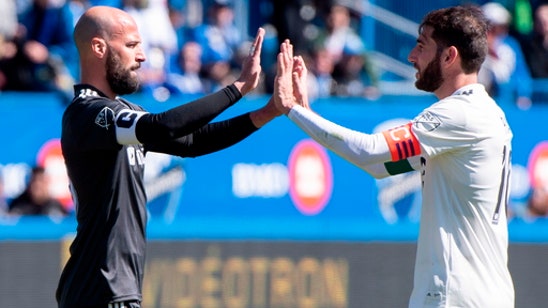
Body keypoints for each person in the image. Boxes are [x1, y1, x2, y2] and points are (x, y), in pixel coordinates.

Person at [272, 5, 514, 308]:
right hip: (479, 294)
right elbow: (381, 166)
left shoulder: (460, 113)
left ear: (449, 56)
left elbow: (371, 153)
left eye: (422, 45)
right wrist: (307, 113)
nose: (412, 56)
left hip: (456, 297)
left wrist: (293, 110)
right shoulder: (484, 112)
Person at [56, 6, 280, 308]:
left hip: (111, 291)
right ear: (99, 47)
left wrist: (267, 112)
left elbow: (191, 142)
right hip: (97, 290)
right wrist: (237, 89)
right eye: (132, 45)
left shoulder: (121, 111)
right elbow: (163, 126)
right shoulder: (89, 113)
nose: (142, 56)